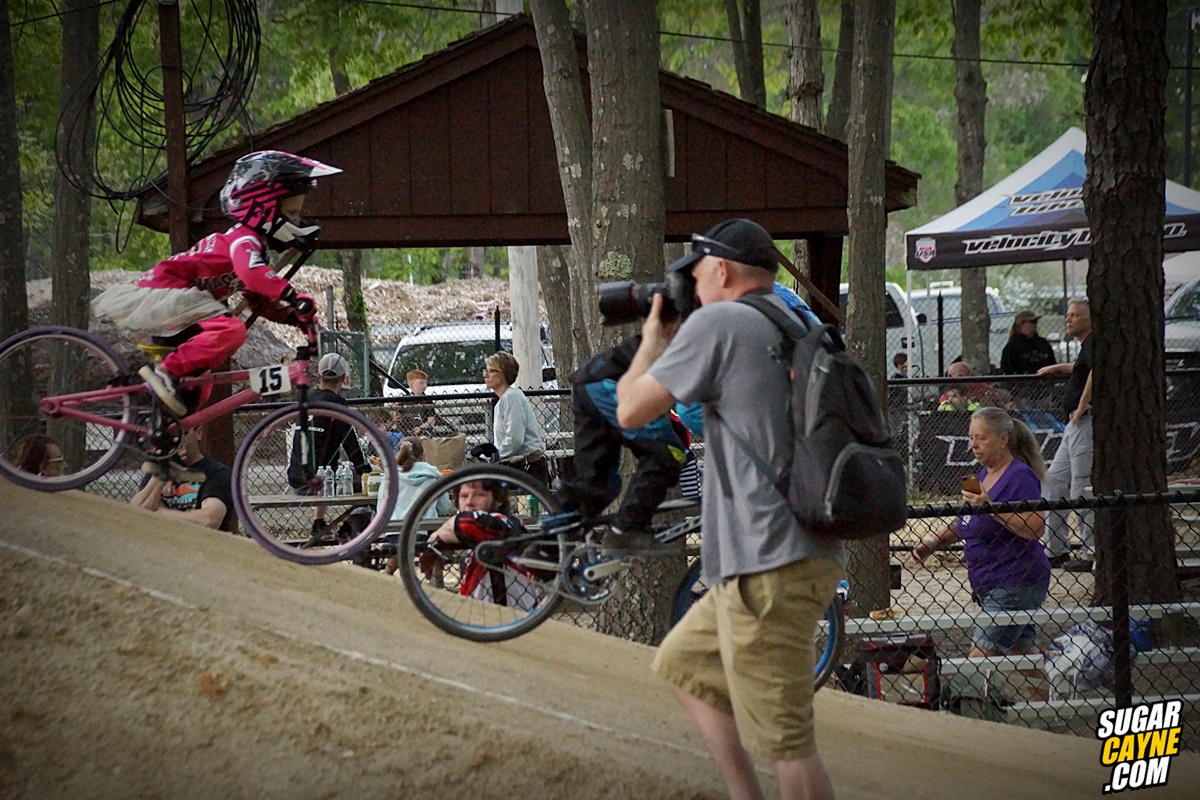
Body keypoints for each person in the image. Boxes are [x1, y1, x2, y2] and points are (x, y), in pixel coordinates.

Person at [615, 218, 843, 800]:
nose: (691, 290)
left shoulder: (721, 322)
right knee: (685, 665)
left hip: (765, 564)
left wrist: (652, 340)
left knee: (788, 742)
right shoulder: (793, 319)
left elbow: (631, 409)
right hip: (788, 551)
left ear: (719, 269)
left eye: (694, 277)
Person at [91, 150, 337, 417]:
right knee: (231, 330)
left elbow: (258, 301)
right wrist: (292, 295)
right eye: (292, 212)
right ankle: (165, 372)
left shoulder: (253, 247)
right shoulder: (244, 240)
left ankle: (162, 430)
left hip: (178, 303)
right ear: (263, 208)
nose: (298, 221)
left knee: (199, 388)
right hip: (165, 292)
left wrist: (294, 318)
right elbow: (252, 273)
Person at [910, 407, 1049, 659]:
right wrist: (934, 541)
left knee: (980, 656)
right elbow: (967, 521)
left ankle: (973, 692)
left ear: (1003, 438)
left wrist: (991, 508)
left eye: (981, 438)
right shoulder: (982, 475)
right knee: (1021, 653)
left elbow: (1035, 527)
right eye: (971, 438)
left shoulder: (1019, 476)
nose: (974, 445)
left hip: (1014, 580)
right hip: (988, 581)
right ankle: (1057, 686)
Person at [557, 333, 695, 556]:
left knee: (598, 483)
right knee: (669, 453)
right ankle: (625, 530)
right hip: (613, 382)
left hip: (593, 381)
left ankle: (546, 547)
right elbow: (692, 413)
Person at [419, 477, 540, 610]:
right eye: (464, 496)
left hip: (513, 615)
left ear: (498, 499)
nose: (469, 502)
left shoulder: (505, 523)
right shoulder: (474, 536)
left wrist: (434, 540)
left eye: (478, 495)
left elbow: (468, 522)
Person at [1037, 298, 1094, 572]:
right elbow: (1083, 367)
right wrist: (1060, 367)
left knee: (1081, 487)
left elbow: (1096, 370)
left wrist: (1082, 404)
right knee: (1054, 481)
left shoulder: (1095, 342)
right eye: (1068, 315)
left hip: (1084, 422)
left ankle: (1091, 551)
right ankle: (1055, 549)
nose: (1068, 319)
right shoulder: (1086, 347)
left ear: (1090, 319)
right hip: (1073, 425)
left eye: (1075, 315)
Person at [287, 353, 371, 533]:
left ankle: (318, 522)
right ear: (344, 378)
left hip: (295, 477)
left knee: (326, 465)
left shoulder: (306, 397)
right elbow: (350, 443)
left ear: (319, 375)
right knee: (370, 484)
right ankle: (349, 530)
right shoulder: (337, 404)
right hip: (318, 482)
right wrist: (366, 470)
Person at [130, 426, 236, 532]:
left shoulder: (216, 472)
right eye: (170, 436)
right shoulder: (157, 472)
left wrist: (160, 513)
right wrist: (164, 472)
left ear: (198, 433)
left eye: (183, 433)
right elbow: (135, 514)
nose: (176, 440)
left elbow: (209, 520)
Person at [379, 437, 452, 576]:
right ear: (423, 455)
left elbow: (381, 507)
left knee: (401, 543)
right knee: (434, 530)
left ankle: (388, 573)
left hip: (394, 532)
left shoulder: (391, 475)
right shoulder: (432, 474)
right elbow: (444, 507)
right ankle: (432, 577)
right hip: (423, 532)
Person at [483, 351, 548, 486]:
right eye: (486, 370)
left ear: (504, 374)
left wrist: (497, 457)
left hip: (526, 468)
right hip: (514, 466)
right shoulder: (503, 400)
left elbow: (515, 437)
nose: (485, 375)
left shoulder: (512, 397)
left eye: (491, 371)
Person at [389, 369, 442, 447]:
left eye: (425, 383)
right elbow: (398, 418)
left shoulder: (427, 400)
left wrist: (420, 428)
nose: (425, 386)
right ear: (411, 385)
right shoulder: (404, 400)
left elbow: (431, 420)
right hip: (406, 433)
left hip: (423, 432)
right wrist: (395, 410)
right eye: (421, 383)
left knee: (423, 440)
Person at [1000, 310, 1056, 375]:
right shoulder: (1012, 347)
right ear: (1021, 324)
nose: (1035, 324)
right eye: (1032, 321)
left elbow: (1052, 365)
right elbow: (1007, 371)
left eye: (1036, 321)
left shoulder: (1043, 343)